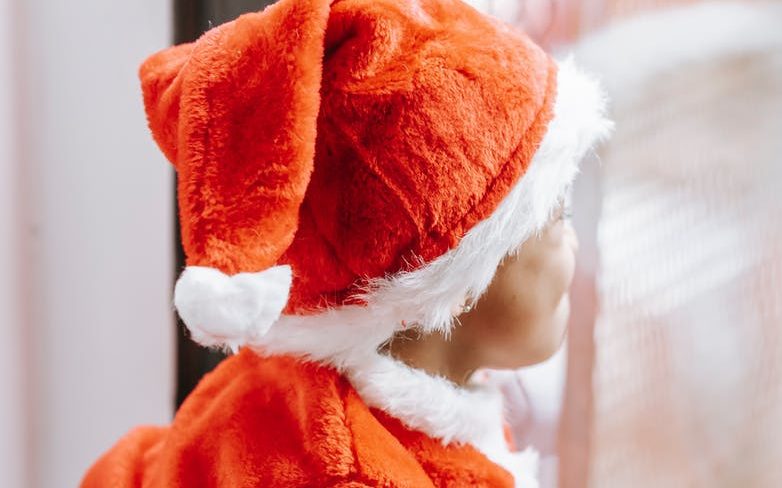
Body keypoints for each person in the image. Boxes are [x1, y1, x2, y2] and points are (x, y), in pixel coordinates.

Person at [82, 0, 609, 486]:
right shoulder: (350, 472)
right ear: (460, 268)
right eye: (555, 214)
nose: (574, 244)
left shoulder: (285, 394)